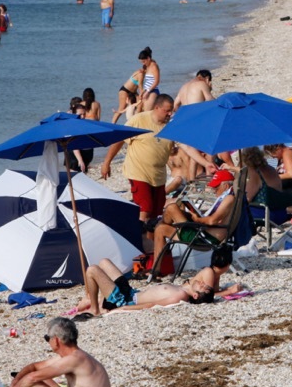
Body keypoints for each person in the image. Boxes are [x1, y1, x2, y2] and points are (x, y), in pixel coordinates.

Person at [101, 95, 176, 224]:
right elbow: (119, 139)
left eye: (171, 110)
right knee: (145, 207)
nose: (170, 114)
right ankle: (138, 237)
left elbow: (165, 153)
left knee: (156, 213)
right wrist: (107, 162)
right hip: (138, 171)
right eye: (167, 110)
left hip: (158, 176)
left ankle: (153, 241)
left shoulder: (169, 127)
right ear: (157, 107)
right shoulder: (139, 120)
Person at [150, 170, 236, 271]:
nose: (214, 190)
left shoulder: (229, 198)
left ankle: (154, 227)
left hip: (203, 238)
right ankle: (154, 271)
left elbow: (213, 221)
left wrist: (197, 219)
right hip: (203, 233)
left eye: (216, 187)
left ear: (225, 186)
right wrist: (197, 215)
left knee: (171, 209)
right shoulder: (230, 197)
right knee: (162, 226)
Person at [76, 258, 213, 316]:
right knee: (104, 262)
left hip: (124, 299)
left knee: (92, 269)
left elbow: (152, 304)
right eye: (204, 284)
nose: (202, 283)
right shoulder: (184, 287)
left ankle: (95, 309)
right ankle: (93, 300)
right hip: (131, 291)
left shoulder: (181, 296)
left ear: (195, 295)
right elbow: (205, 272)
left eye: (203, 287)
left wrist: (124, 308)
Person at [137, 47, 161, 111]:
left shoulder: (154, 66)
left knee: (146, 112)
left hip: (153, 91)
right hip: (146, 90)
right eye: (141, 62)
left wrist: (148, 92)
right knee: (138, 111)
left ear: (148, 58)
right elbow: (148, 81)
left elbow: (157, 81)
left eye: (144, 61)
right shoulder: (147, 66)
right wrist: (142, 92)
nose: (143, 63)